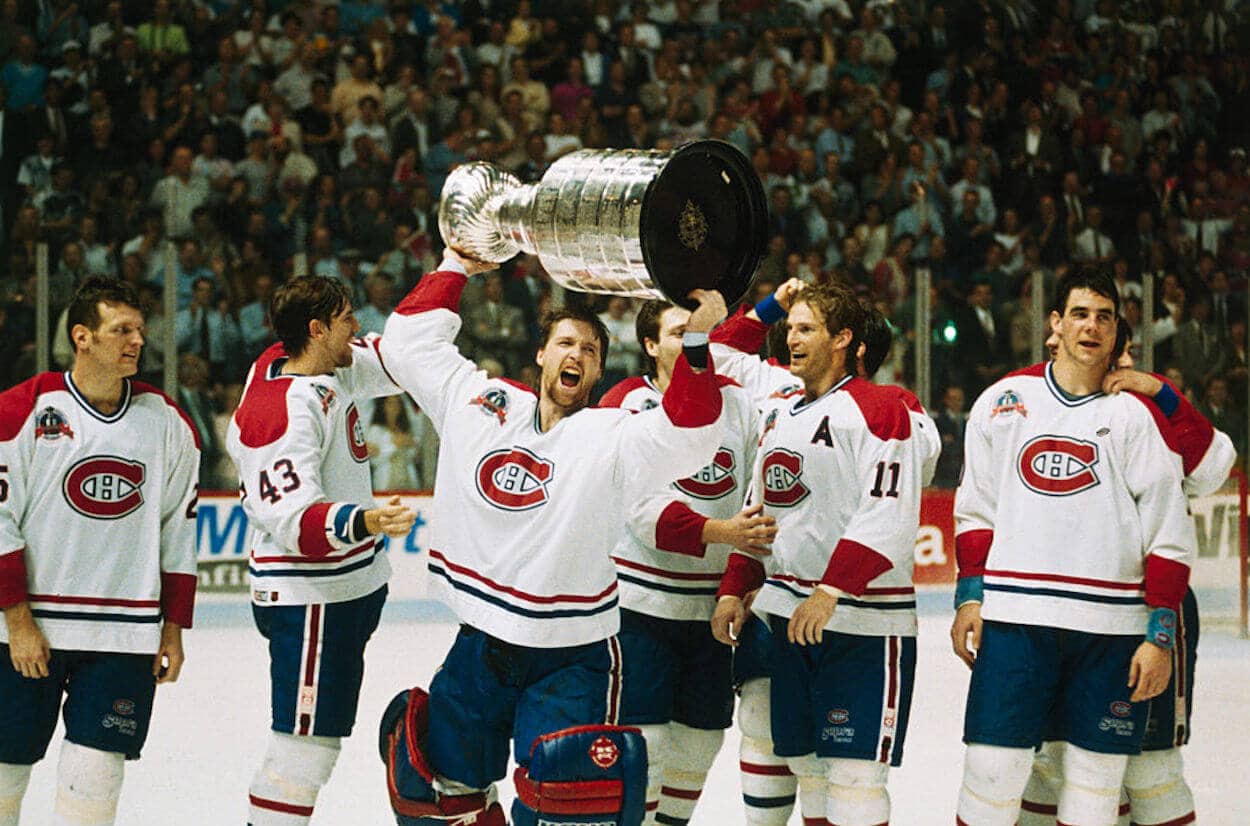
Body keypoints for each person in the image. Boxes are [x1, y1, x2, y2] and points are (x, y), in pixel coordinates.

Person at [376, 250, 728, 825]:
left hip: (574, 653)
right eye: (566, 343)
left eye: (590, 351)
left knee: (568, 808)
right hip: (481, 643)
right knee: (436, 794)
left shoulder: (612, 433)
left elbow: (692, 435)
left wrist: (695, 342)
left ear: (598, 373)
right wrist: (456, 263)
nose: (577, 355)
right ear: (542, 354)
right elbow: (406, 345)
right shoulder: (483, 403)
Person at [951, 269, 1196, 826]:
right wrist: (970, 596)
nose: (1092, 326)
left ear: (1116, 334)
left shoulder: (1134, 416)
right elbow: (976, 511)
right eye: (1080, 314)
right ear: (1055, 325)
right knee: (991, 772)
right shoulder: (1003, 401)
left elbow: (1169, 534)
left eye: (1105, 317)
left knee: (1095, 789)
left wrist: (1159, 635)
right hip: (1016, 618)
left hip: (1111, 631)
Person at [709, 280, 936, 826]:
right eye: (790, 329)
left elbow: (888, 513)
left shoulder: (885, 408)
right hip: (789, 614)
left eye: (806, 328)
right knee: (808, 766)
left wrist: (831, 590)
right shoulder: (780, 404)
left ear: (844, 339)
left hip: (862, 623)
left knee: (856, 780)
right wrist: (734, 588)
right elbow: (763, 506)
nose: (791, 337)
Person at [1018, 322, 1236, 826]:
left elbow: (1212, 470)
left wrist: (1157, 391)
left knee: (1148, 766)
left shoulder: (1152, 410)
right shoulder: (1029, 405)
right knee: (1052, 761)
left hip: (1147, 611)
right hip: (1057, 611)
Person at [0, 277, 199, 826]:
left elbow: (178, 532)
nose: (136, 340)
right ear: (82, 336)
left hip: (123, 634)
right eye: (121, 330)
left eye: (140, 329)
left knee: (95, 779)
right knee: (4, 772)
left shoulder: (169, 424)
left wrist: (171, 629)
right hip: (29, 630)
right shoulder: (21, 411)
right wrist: (17, 622)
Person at [226, 275, 416, 826]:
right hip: (311, 599)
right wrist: (367, 519)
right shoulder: (279, 411)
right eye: (346, 319)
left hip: (342, 592)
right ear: (316, 330)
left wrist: (453, 269)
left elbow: (393, 357)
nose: (356, 327)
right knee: (302, 751)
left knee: (315, 738)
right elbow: (296, 523)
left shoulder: (298, 362)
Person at [599, 298, 771, 825]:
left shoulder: (739, 403)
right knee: (643, 745)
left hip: (713, 610)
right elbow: (636, 505)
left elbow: (753, 489)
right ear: (650, 347)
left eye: (701, 331)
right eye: (681, 332)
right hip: (640, 606)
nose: (696, 339)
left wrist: (740, 575)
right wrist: (721, 532)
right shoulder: (627, 403)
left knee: (699, 743)